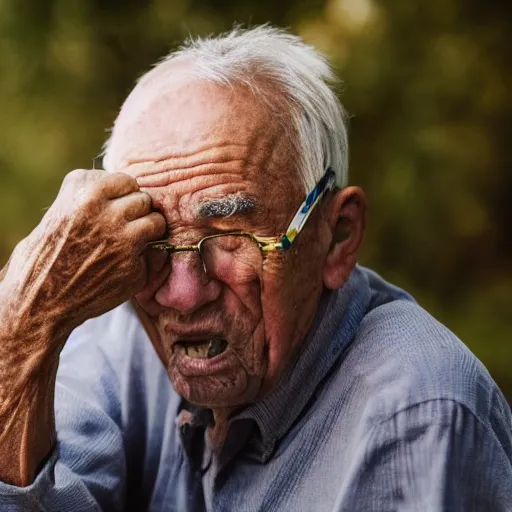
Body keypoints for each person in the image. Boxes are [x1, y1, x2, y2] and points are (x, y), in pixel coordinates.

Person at [0, 25, 510, 512]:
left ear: (336, 237)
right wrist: (25, 316)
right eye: (153, 240)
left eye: (229, 238)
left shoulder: (418, 415)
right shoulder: (119, 343)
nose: (181, 295)